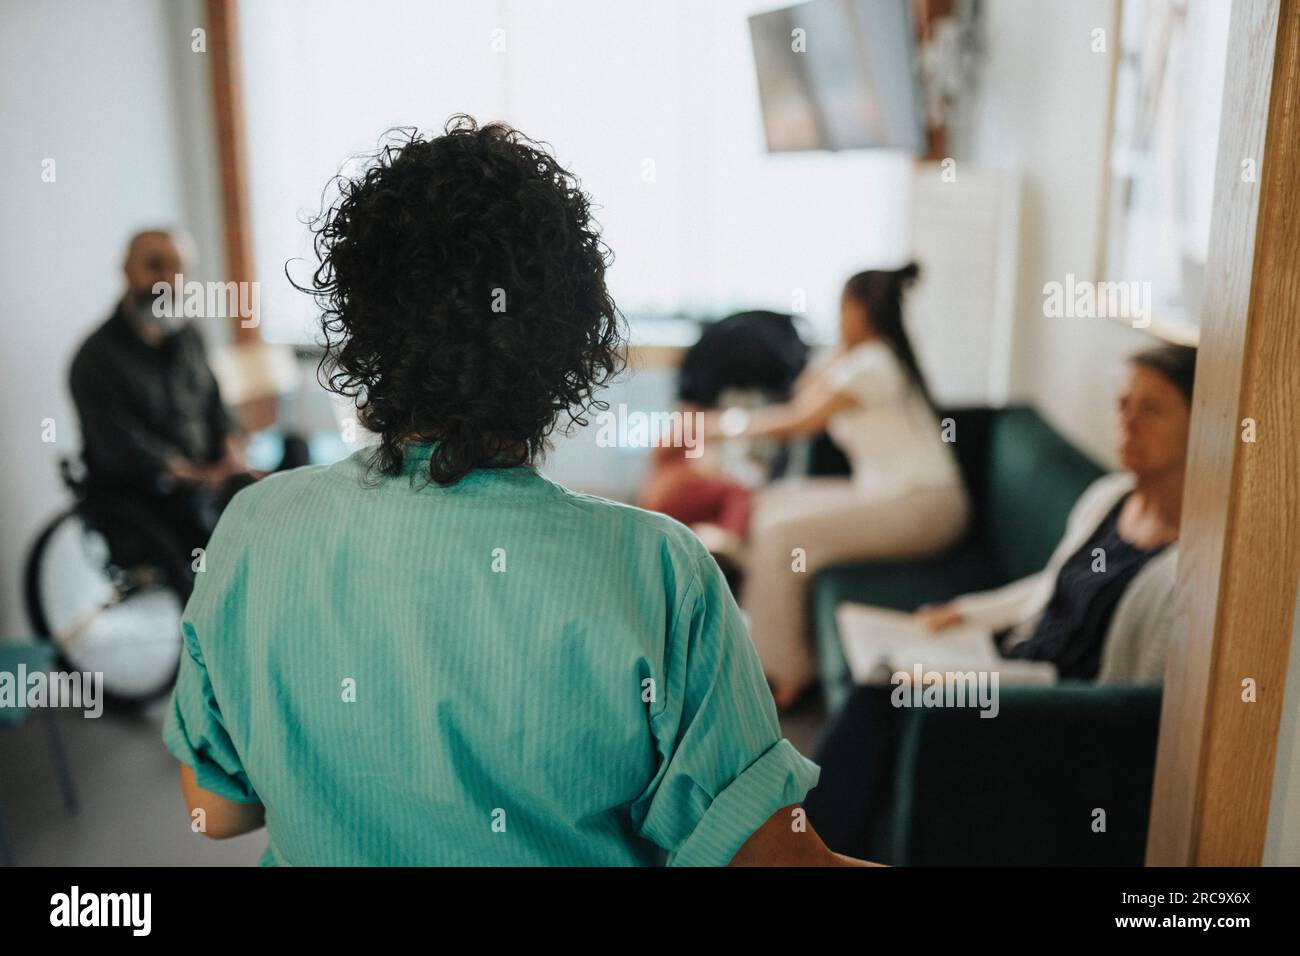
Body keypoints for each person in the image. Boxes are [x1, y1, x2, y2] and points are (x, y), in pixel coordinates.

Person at [161, 115, 873, 867]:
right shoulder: (660, 575)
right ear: (571, 336)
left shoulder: (254, 527)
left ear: (363, 322)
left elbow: (218, 809)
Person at [804, 344, 1195, 856]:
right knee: (883, 678)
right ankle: (814, 842)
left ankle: (802, 844)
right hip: (1010, 662)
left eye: (1153, 408)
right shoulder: (1109, 496)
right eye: (1123, 403)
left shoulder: (1185, 566)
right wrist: (966, 612)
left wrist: (1010, 688)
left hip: (1048, 705)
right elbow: (1051, 585)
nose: (1129, 421)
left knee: (883, 691)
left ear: (1202, 424)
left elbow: (1134, 711)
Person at [707, 264, 968, 710]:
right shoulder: (862, 358)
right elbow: (803, 395)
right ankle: (762, 595)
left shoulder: (875, 365)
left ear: (861, 310)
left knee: (779, 537)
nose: (838, 316)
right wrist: (838, 350)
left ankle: (781, 674)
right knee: (772, 504)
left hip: (924, 508)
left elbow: (799, 422)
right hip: (888, 494)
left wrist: (721, 425)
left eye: (844, 307)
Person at [69, 229, 251, 552]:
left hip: (211, 477)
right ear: (127, 270)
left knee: (294, 459)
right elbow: (123, 448)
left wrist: (232, 457)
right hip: (150, 494)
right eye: (155, 266)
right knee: (202, 512)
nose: (167, 279)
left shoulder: (190, 337)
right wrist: (201, 477)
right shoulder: (95, 358)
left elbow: (216, 408)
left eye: (177, 269)